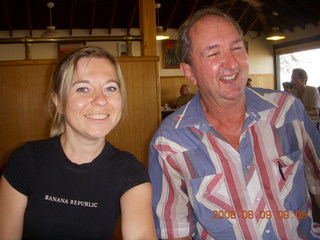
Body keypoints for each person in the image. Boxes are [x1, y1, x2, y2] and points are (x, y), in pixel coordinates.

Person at [148, 7, 320, 240]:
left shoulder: (288, 111)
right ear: (189, 72)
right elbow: (175, 232)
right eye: (213, 53)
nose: (231, 63)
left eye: (237, 48)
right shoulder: (170, 143)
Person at [0, 46, 157, 240]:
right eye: (83, 89)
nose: (100, 100)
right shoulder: (26, 160)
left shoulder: (130, 172)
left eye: (110, 88)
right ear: (58, 102)